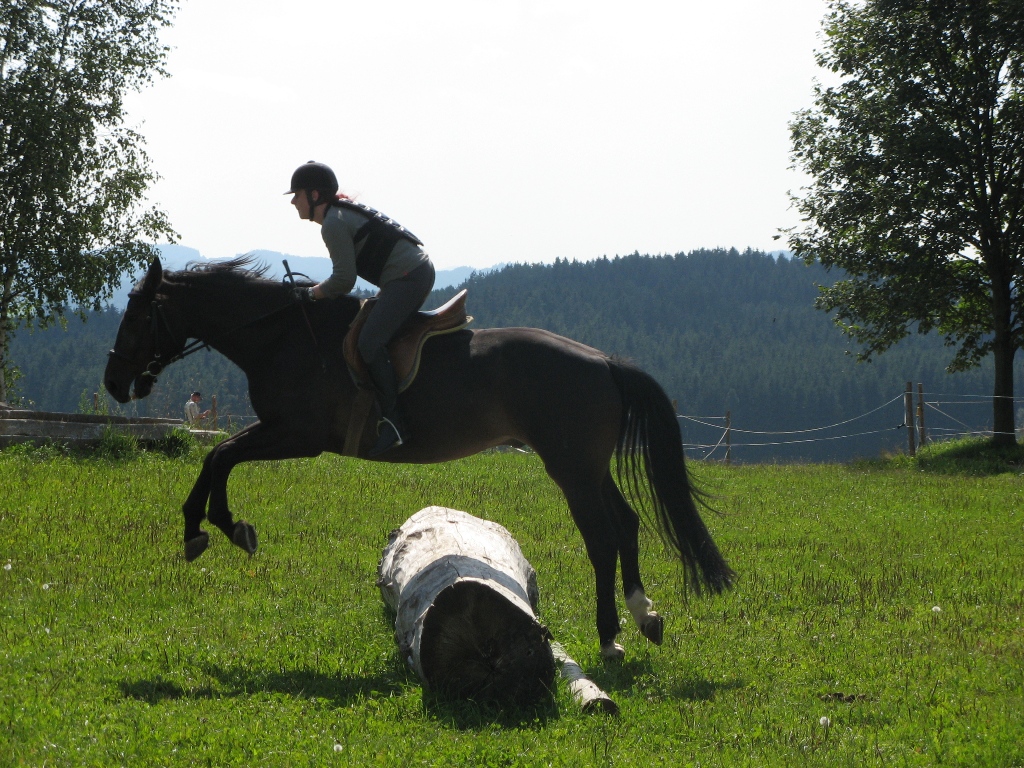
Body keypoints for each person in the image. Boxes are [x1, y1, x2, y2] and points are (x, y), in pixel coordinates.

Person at [286, 161, 435, 456]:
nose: (293, 201)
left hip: (408, 278)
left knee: (368, 343)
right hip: (408, 275)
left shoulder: (333, 223)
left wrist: (310, 294)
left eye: (297, 194)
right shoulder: (339, 214)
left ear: (314, 195)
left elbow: (344, 280)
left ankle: (394, 423)